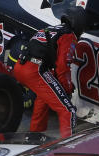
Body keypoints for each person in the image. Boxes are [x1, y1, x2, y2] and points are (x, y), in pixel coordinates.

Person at [12, 7, 88, 137]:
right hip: (35, 69)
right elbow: (63, 67)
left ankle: (34, 136)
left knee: (44, 97)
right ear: (79, 23)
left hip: (20, 66)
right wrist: (67, 88)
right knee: (68, 110)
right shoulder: (68, 36)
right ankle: (69, 146)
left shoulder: (51, 29)